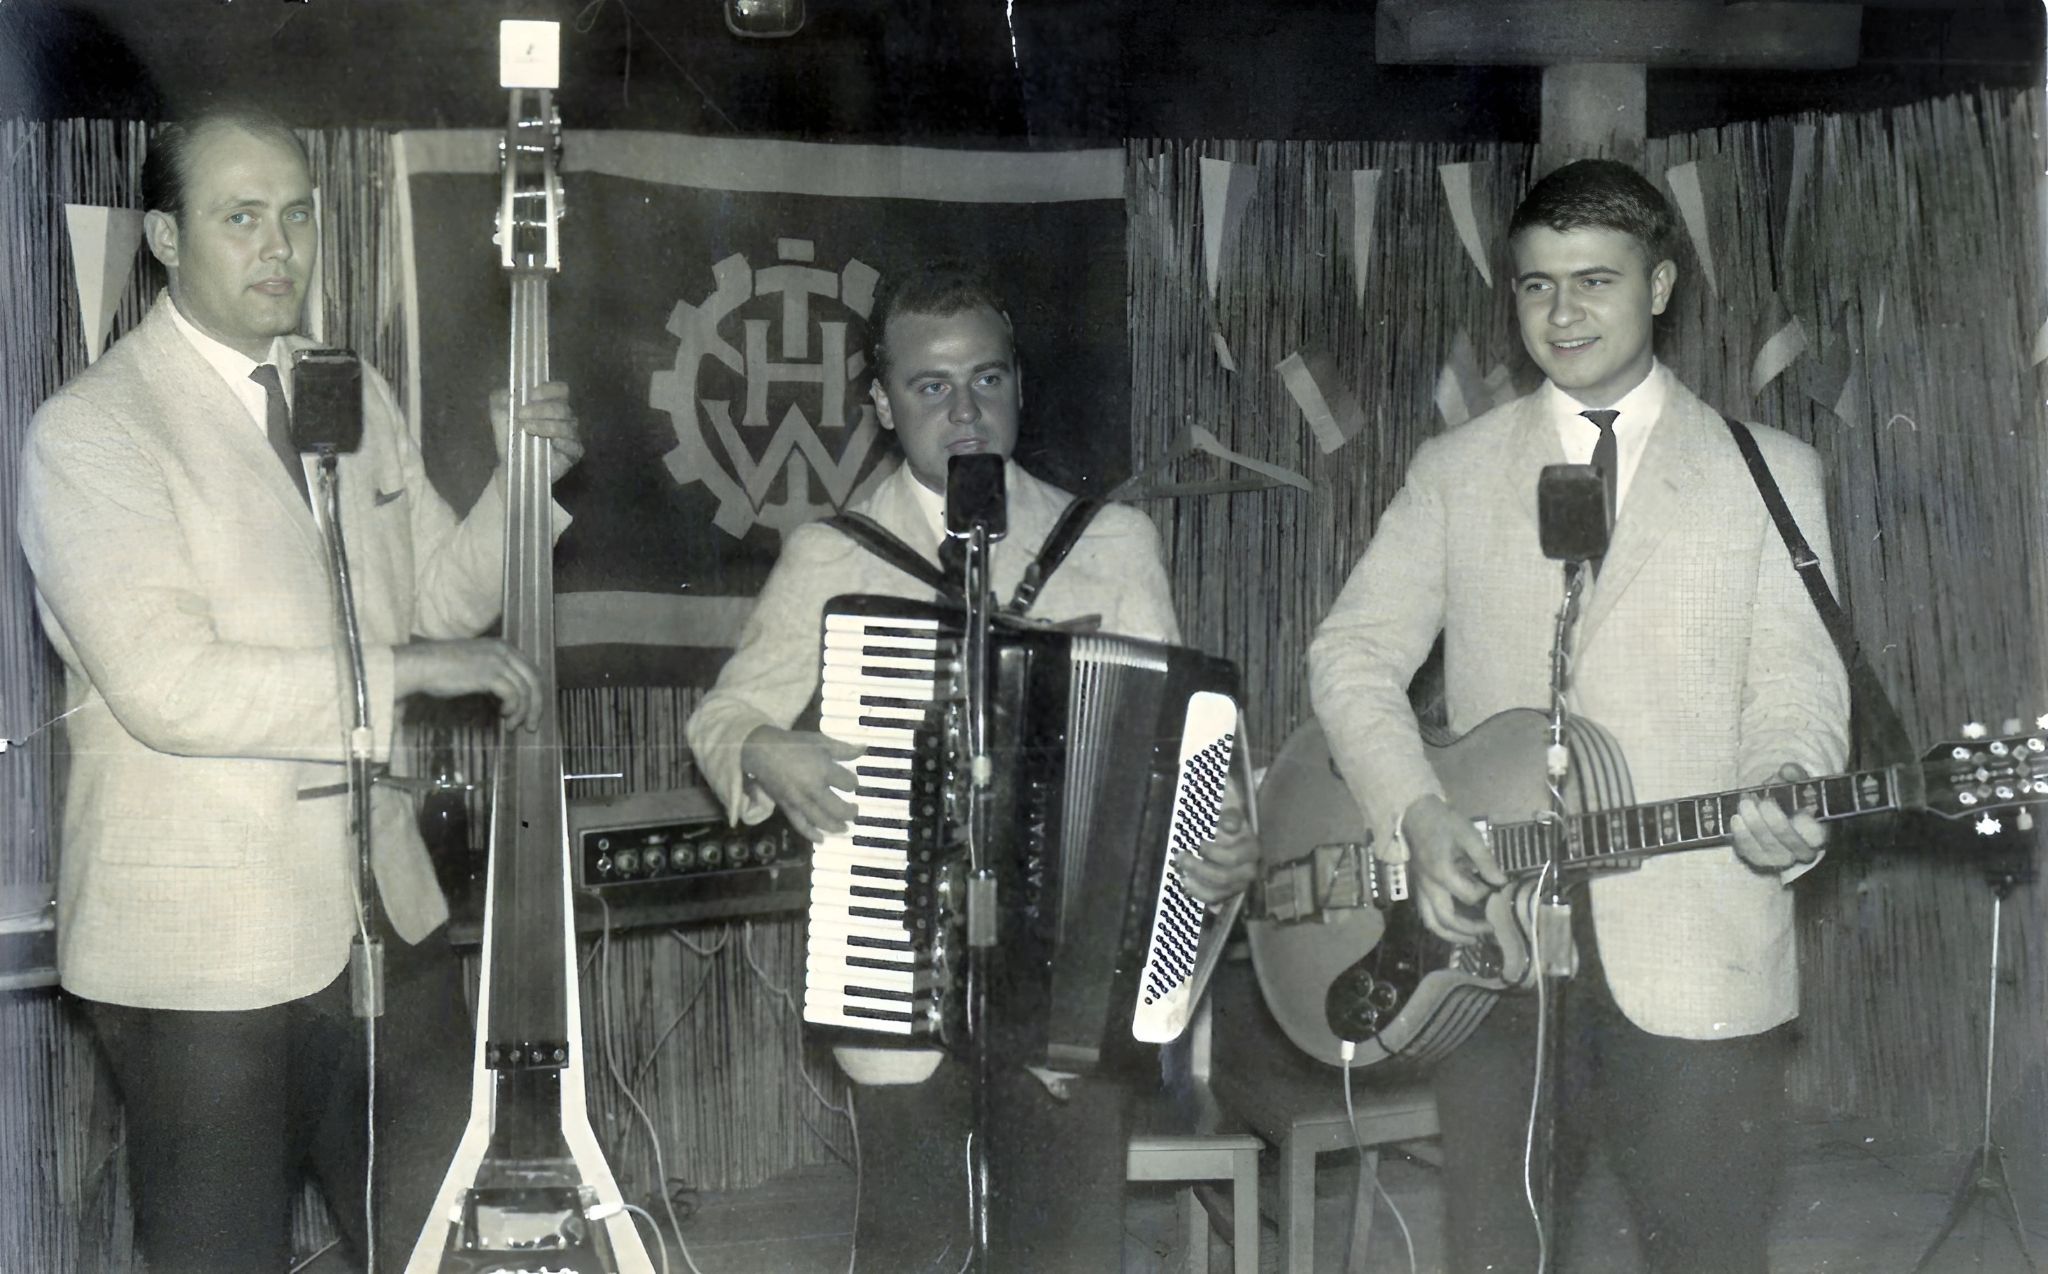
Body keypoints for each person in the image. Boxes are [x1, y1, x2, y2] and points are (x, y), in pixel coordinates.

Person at [17, 105, 580, 1273]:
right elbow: (172, 687)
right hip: (200, 955)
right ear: (165, 240)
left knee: (440, 1239)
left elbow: (438, 601)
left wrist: (523, 489)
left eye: (297, 216)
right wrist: (408, 671)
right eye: (241, 220)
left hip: (382, 915)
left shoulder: (347, 392)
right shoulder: (93, 432)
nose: (280, 248)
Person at [1307, 159, 1850, 1273]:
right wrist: (1413, 811)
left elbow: (1796, 683)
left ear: (1658, 284)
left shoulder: (1768, 471)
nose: (1560, 314)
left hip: (1699, 941)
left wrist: (1785, 779)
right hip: (1488, 954)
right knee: (1498, 1251)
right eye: (1534, 285)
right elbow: (1350, 652)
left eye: (1592, 281)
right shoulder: (1456, 471)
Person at [686, 259, 1257, 1270]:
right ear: (879, 399)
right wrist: (766, 747)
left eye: (986, 380)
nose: (963, 412)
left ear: (1019, 387)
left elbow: (1177, 764)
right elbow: (723, 715)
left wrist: (1214, 846)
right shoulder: (833, 553)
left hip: (1067, 996)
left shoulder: (1111, 542)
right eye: (928, 386)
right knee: (912, 1249)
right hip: (893, 974)